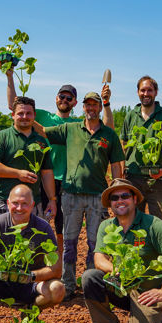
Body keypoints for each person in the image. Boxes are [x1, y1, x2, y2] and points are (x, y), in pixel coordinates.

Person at [3, 67, 114, 260]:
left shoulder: (78, 125)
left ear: (75, 103)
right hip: (42, 179)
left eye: (69, 98)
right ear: (56, 98)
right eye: (62, 96)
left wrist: (106, 103)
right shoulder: (42, 116)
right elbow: (16, 106)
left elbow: (107, 129)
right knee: (37, 223)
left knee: (62, 229)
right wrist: (10, 76)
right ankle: (37, 262)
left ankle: (60, 265)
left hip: (67, 182)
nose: (64, 100)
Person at [81, 179, 162, 323]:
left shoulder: (153, 225)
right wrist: (115, 270)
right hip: (123, 287)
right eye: (115, 198)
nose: (120, 201)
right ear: (110, 204)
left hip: (148, 293)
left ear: (135, 199)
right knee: (90, 278)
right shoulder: (107, 226)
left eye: (125, 196)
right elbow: (99, 259)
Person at [42, 91, 125, 299]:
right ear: (83, 107)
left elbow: (116, 165)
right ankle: (68, 284)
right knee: (69, 242)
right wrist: (22, 115)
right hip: (71, 195)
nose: (91, 108)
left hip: (98, 196)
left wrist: (116, 192)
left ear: (99, 108)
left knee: (95, 243)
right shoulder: (70, 129)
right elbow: (42, 131)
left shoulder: (108, 135)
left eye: (94, 105)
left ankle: (90, 284)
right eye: (88, 105)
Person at [0, 184, 64, 323]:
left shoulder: (43, 228)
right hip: (2, 279)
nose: (19, 208)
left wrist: (31, 276)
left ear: (32, 206)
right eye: (15, 203)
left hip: (31, 285)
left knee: (57, 289)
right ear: (8, 204)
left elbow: (57, 269)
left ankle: (29, 312)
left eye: (24, 204)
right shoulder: (0, 222)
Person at [119, 76, 162, 234]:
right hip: (133, 179)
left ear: (156, 92)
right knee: (130, 224)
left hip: (158, 179)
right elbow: (124, 147)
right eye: (143, 90)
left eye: (149, 90)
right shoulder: (131, 116)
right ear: (137, 92)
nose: (146, 94)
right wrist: (121, 175)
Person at [0, 96, 56, 222]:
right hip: (5, 202)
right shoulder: (1, 137)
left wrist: (52, 199)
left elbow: (47, 173)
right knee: (4, 235)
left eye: (29, 113)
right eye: (20, 113)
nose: (24, 117)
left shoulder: (41, 141)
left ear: (34, 115)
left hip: (32, 203)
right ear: (13, 115)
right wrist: (18, 174)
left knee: (33, 235)